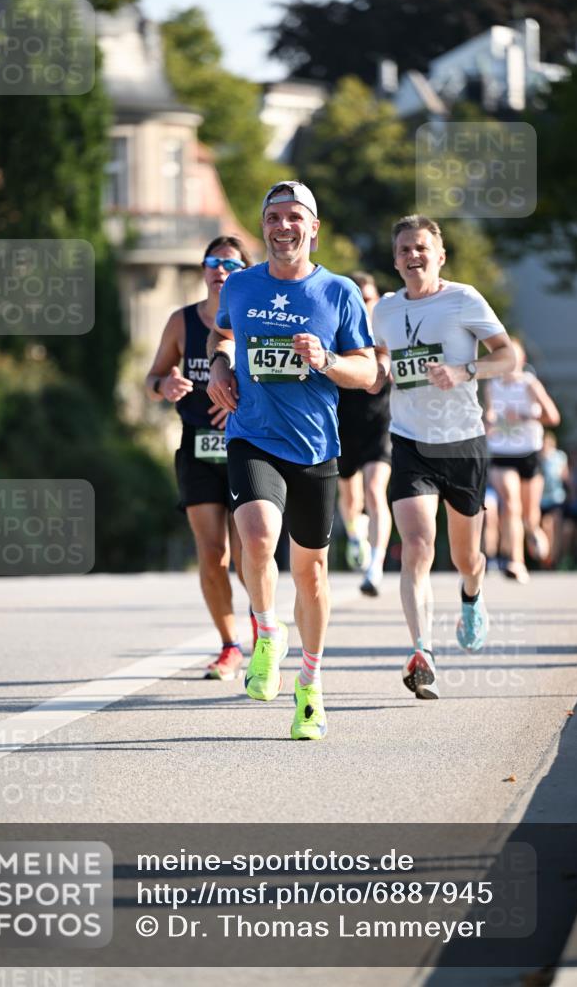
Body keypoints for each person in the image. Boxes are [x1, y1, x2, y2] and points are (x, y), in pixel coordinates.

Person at [206, 180, 377, 739]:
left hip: (314, 447)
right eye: (274, 217)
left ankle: (310, 685)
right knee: (256, 535)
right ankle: (266, 631)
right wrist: (220, 366)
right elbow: (221, 335)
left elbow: (368, 371)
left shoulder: (339, 292)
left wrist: (326, 360)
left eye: (294, 217)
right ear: (263, 227)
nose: (283, 226)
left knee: (312, 574)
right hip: (252, 434)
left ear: (313, 228)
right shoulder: (241, 285)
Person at [372, 214, 515, 700]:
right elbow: (381, 356)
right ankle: (423, 652)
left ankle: (472, 596)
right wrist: (380, 368)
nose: (413, 255)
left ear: (440, 256)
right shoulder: (385, 310)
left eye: (421, 248)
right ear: (395, 261)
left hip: (462, 443)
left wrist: (464, 370)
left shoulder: (463, 299)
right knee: (416, 546)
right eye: (405, 249)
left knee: (465, 558)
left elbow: (508, 356)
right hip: (409, 442)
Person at [146, 236, 255, 681]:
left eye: (230, 264)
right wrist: (165, 387)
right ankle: (229, 646)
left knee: (250, 555)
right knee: (212, 554)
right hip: (197, 448)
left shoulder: (253, 318)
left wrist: (240, 405)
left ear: (246, 272)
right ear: (203, 270)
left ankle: (264, 626)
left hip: (246, 448)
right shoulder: (182, 321)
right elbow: (152, 378)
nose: (220, 270)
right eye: (212, 262)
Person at [485, 337, 561, 583]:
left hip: (528, 452)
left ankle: (533, 530)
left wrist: (524, 416)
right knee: (511, 504)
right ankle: (516, 561)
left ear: (522, 359)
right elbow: (489, 417)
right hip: (501, 452)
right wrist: (490, 422)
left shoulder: (530, 384)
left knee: (529, 515)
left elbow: (553, 417)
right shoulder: (492, 385)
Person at [337, 272, 393, 597]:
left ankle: (376, 565)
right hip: (344, 424)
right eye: (356, 298)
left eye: (367, 298)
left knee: (374, 491)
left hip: (379, 425)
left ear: (377, 300)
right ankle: (355, 534)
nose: (362, 304)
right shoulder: (337, 329)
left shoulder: (388, 330)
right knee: (351, 500)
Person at [539, 431, 568, 568]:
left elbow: (565, 475)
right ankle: (546, 557)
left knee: (556, 526)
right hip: (542, 499)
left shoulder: (559, 456)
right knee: (546, 526)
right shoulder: (538, 457)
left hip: (556, 497)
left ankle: (555, 558)